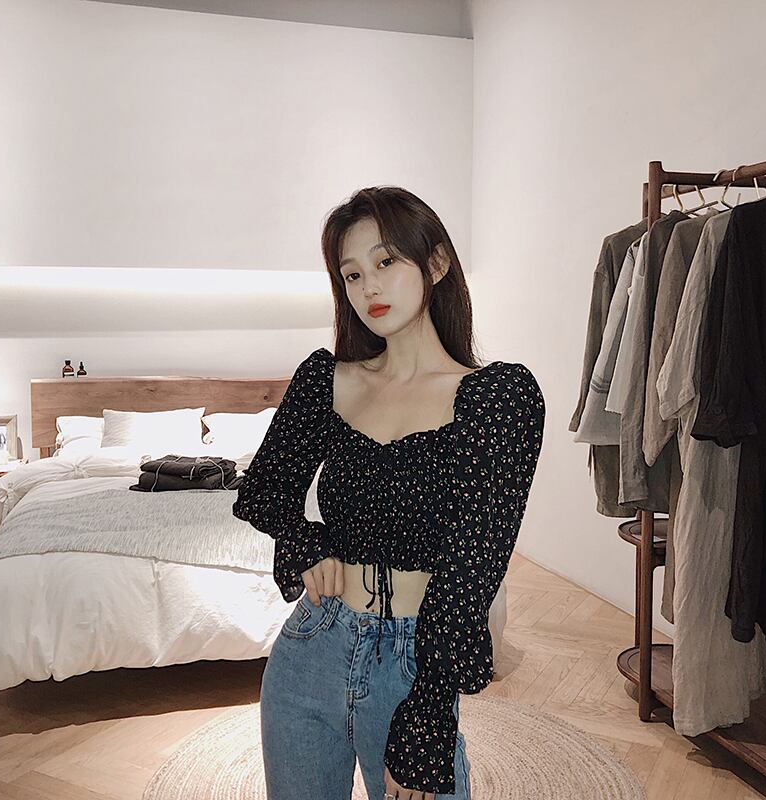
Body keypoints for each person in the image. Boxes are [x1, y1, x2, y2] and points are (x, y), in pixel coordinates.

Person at [232, 186, 545, 800]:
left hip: (412, 666)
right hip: (313, 647)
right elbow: (265, 490)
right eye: (351, 274)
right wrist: (306, 542)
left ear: (436, 263)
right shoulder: (326, 380)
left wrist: (429, 713)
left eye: (385, 261)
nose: (368, 286)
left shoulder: (498, 399)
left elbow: (473, 567)